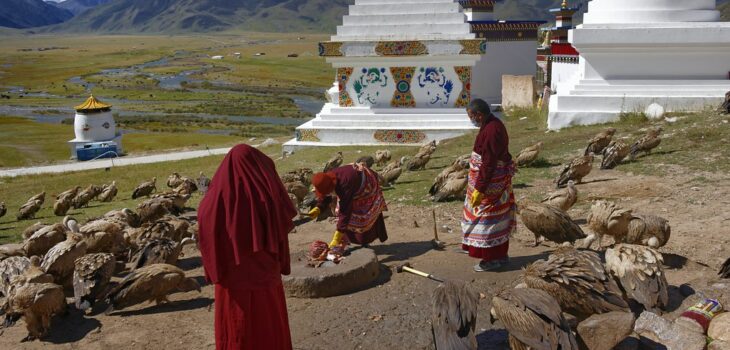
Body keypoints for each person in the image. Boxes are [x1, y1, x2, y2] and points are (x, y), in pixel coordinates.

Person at [198, 144, 297, 350]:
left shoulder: (215, 201)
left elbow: (206, 233)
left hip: (233, 285)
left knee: (238, 331)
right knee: (269, 329)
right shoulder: (269, 194)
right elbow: (285, 219)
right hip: (266, 280)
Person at [461, 99, 517, 272]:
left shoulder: (492, 130)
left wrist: (480, 188)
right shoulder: (491, 124)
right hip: (489, 180)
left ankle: (491, 258)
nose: (472, 119)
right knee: (496, 216)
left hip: (490, 183)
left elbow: (489, 163)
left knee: (487, 219)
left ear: (479, 114)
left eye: (472, 116)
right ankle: (498, 254)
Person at [309, 161, 388, 249]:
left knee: (362, 215)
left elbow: (345, 212)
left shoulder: (344, 184)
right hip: (352, 185)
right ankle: (345, 241)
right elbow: (326, 193)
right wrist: (319, 208)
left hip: (367, 186)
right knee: (342, 214)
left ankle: (364, 242)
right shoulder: (327, 179)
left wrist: (337, 236)